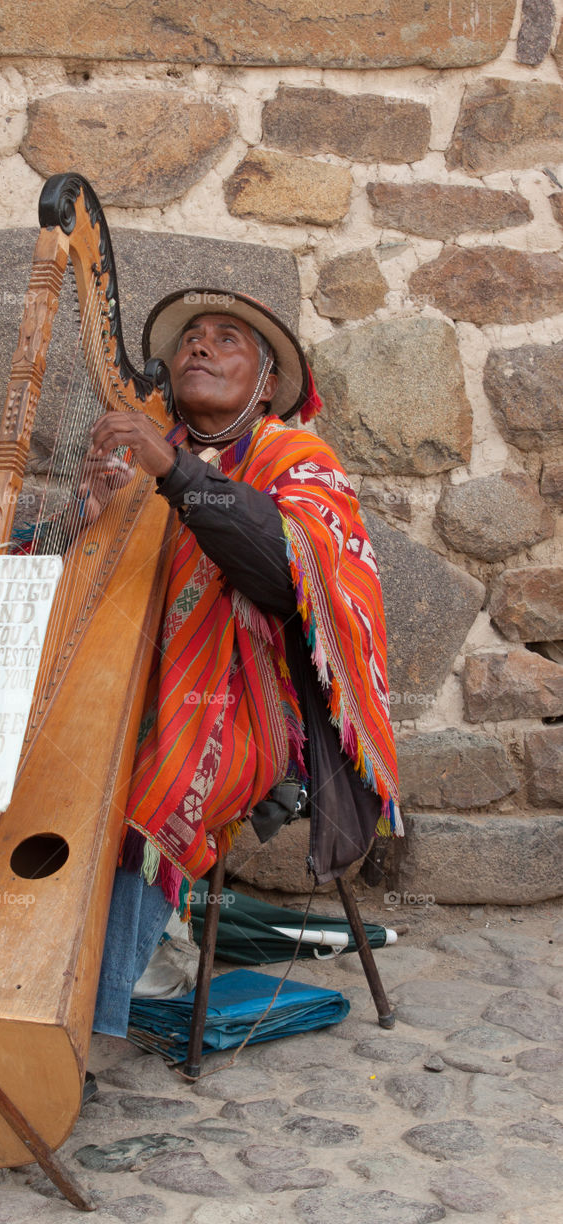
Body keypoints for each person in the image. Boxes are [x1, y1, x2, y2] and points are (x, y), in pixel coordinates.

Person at [77, 289, 402, 1039]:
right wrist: (85, 523)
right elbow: (88, 592)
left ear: (265, 385)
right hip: (131, 688)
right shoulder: (143, 460)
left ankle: (83, 1029)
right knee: (35, 763)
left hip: (263, 710)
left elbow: (288, 577)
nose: (200, 346)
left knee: (156, 791)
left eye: (227, 339)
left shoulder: (299, 461)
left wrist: (177, 476)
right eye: (191, 337)